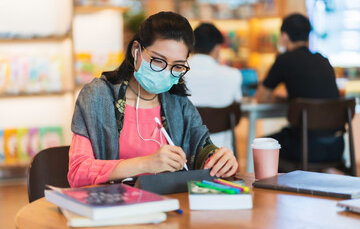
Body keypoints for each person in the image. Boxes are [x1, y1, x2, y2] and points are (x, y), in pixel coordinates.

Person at [68, 12, 238, 188]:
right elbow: (78, 172)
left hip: (172, 208)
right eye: (158, 60)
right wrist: (146, 164)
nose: (166, 72)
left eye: (177, 66)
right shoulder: (97, 97)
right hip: (112, 208)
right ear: (136, 50)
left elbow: (202, 151)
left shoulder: (178, 104)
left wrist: (220, 160)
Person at [256, 13, 342, 169]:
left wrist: (280, 98)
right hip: (336, 146)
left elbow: (262, 97)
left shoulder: (284, 60)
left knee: (262, 144)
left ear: (284, 36)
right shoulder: (324, 60)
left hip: (304, 148)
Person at [186, 23, 242, 152]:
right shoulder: (233, 75)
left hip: (186, 156)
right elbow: (237, 103)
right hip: (223, 155)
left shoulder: (177, 74)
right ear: (217, 47)